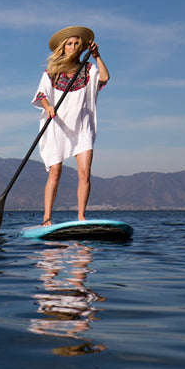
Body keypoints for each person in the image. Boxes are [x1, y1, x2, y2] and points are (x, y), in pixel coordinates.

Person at [31, 26, 110, 225]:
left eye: (77, 44)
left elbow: (105, 78)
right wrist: (48, 107)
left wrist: (97, 56)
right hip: (57, 124)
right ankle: (47, 218)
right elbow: (41, 96)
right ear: (63, 47)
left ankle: (81, 217)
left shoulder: (88, 69)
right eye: (69, 44)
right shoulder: (52, 72)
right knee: (55, 171)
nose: (73, 47)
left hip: (82, 125)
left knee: (85, 172)